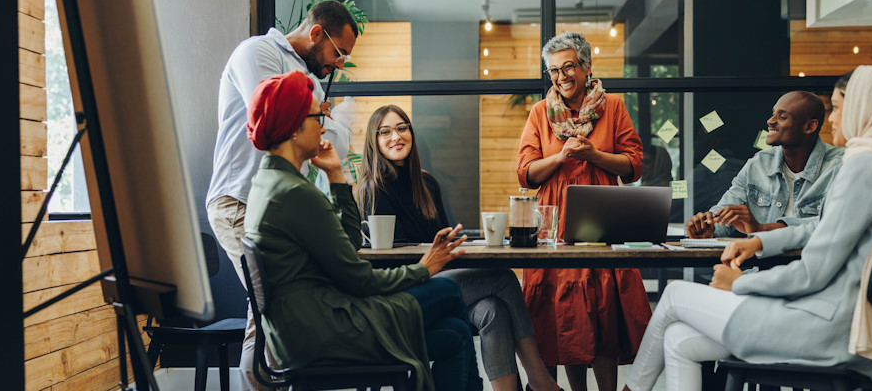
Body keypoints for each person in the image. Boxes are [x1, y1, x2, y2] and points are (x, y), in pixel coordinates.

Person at [623, 65, 872, 391]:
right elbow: (823, 228)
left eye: (837, 107)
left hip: (825, 327)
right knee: (679, 338)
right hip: (848, 322)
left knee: (674, 294)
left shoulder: (863, 164)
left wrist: (740, 283)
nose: (833, 119)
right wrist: (761, 242)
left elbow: (813, 271)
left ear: (867, 105)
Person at [243, 71, 484, 391]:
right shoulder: (293, 193)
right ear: (295, 126)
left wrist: (336, 176)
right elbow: (358, 278)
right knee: (448, 291)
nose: (324, 124)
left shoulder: (270, 183)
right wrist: (422, 269)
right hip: (328, 330)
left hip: (302, 331)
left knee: (454, 332)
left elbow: (350, 242)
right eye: (319, 115)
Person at [204, 0, 358, 390]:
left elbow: (333, 146)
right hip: (239, 200)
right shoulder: (258, 52)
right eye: (339, 53)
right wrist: (323, 115)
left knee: (275, 306)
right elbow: (273, 117)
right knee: (273, 301)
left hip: (278, 210)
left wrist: (320, 116)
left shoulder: (312, 80)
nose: (340, 64)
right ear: (317, 34)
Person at [358, 105, 563, 391]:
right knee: (503, 278)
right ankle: (541, 380)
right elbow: (394, 257)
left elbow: (442, 244)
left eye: (402, 128)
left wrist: (469, 244)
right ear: (374, 141)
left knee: (493, 310)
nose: (396, 136)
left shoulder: (426, 182)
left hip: (437, 278)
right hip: (407, 287)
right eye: (385, 132)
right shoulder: (373, 187)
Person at [516, 31, 651, 391]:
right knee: (565, 314)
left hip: (603, 215)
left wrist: (593, 155)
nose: (561, 77)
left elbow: (634, 165)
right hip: (554, 222)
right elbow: (525, 173)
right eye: (554, 71)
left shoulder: (614, 106)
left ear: (587, 67)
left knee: (603, 310)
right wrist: (560, 157)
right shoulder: (540, 113)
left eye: (568, 67)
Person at [686, 91, 844, 238]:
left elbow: (833, 225)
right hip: (759, 267)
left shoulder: (839, 167)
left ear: (810, 126)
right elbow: (725, 210)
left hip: (811, 267)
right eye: (773, 113)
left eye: (782, 117)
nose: (770, 121)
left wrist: (761, 228)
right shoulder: (758, 163)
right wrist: (709, 226)